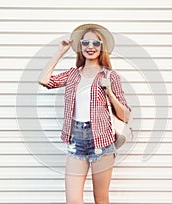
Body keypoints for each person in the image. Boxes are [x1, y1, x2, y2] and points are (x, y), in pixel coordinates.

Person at [38, 24, 131, 204]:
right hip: (76, 142)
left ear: (102, 47)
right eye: (85, 42)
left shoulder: (110, 76)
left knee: (101, 199)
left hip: (102, 143)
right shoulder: (72, 74)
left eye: (96, 43)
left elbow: (125, 115)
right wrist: (60, 51)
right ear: (80, 46)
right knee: (72, 200)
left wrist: (110, 92)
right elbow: (44, 80)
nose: (90, 47)